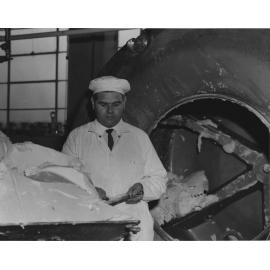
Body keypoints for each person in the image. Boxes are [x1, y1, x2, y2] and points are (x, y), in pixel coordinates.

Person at [62, 76, 167, 240]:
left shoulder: (139, 137)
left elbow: (159, 178)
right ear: (92, 104)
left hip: (135, 223)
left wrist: (143, 188)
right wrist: (90, 190)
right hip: (93, 219)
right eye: (103, 104)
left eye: (116, 104)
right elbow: (63, 180)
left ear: (124, 103)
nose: (110, 111)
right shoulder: (77, 137)